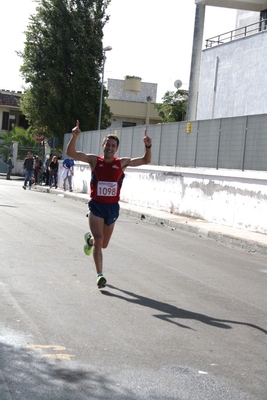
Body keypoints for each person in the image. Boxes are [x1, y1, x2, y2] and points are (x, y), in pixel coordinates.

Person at [66, 120, 152, 289]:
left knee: (103, 244)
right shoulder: (94, 160)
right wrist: (74, 136)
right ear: (103, 145)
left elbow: (144, 161)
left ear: (116, 149)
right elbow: (72, 153)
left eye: (113, 146)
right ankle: (100, 275)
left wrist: (148, 147)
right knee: (100, 239)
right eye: (108, 144)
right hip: (96, 206)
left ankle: (89, 240)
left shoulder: (122, 163)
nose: (110, 148)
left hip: (112, 208)